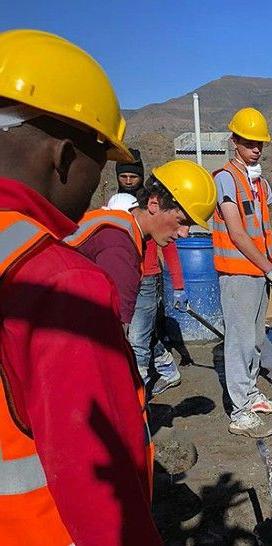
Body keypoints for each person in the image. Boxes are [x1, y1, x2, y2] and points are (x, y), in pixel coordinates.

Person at [0, 29, 162, 545]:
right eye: (100, 167)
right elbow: (100, 489)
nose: (99, 186)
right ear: (64, 157)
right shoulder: (61, 283)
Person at [66, 160, 217, 397]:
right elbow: (113, 347)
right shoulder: (120, 249)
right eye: (181, 221)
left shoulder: (118, 226)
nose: (184, 233)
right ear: (154, 203)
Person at [212, 107, 272, 438]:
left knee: (256, 340)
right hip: (239, 272)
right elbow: (237, 232)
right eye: (249, 142)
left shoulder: (256, 181)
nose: (256, 148)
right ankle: (240, 411)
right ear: (234, 141)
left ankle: (251, 394)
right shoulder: (226, 178)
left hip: (258, 273)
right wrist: (270, 267)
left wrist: (270, 267)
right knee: (240, 341)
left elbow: (263, 227)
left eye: (260, 143)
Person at [114, 149, 190, 395]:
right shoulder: (117, 207)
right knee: (140, 335)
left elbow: (168, 248)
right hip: (124, 278)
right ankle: (166, 370)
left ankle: (139, 392)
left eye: (132, 176)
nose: (127, 181)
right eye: (123, 176)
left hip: (147, 279)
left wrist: (178, 285)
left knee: (137, 339)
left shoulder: (155, 211)